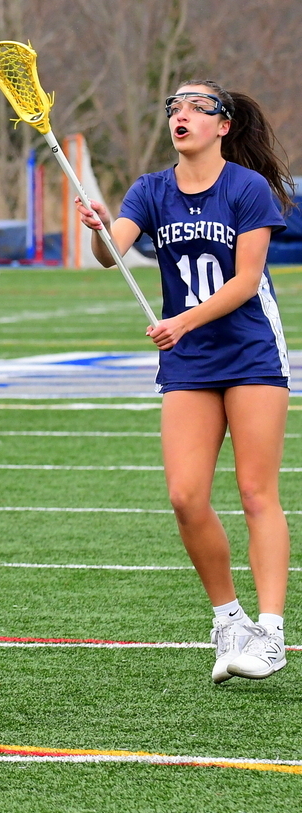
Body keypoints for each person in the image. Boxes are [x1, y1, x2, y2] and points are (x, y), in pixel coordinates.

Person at [76, 80, 293, 684]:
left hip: (250, 350)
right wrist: (98, 228)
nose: (183, 114)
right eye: (175, 106)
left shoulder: (246, 188)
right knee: (185, 496)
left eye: (199, 107)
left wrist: (183, 321)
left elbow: (246, 281)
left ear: (223, 125)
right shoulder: (150, 190)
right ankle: (230, 621)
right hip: (189, 361)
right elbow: (109, 256)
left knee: (256, 492)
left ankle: (271, 634)